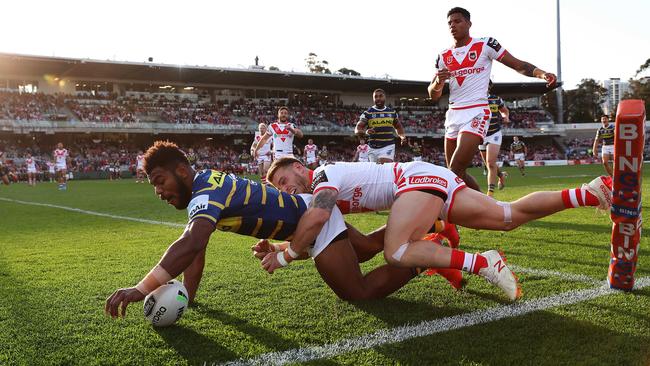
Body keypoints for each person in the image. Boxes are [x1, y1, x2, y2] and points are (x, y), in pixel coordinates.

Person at [104, 141, 428, 318]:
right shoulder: (205, 184)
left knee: (358, 291)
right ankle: (430, 223)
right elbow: (196, 248)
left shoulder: (205, 193)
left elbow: (191, 243)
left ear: (181, 171)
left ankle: (423, 257)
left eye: (160, 181)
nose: (159, 192)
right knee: (368, 249)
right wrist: (189, 295)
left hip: (311, 219)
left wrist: (141, 288)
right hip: (306, 210)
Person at [266, 157, 614, 301]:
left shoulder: (324, 175)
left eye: (284, 180)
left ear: (300, 167)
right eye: (279, 188)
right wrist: (284, 249)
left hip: (414, 181)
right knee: (507, 217)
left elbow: (320, 216)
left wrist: (287, 256)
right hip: (427, 179)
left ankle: (482, 263)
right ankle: (591, 191)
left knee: (397, 251)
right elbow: (348, 243)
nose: (285, 190)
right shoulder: (320, 187)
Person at [428, 7, 556, 191]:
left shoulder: (486, 44)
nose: (452, 26)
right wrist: (439, 82)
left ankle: (440, 216)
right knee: (458, 174)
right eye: (450, 23)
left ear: (469, 23)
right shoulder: (443, 56)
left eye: (457, 21)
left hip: (477, 112)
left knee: (453, 172)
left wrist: (542, 74)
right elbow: (433, 94)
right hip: (453, 114)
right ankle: (484, 209)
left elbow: (519, 65)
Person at [355, 89, 407, 163]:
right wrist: (365, 132)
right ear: (373, 99)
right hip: (372, 147)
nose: (378, 98)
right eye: (375, 97)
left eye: (380, 96)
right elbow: (358, 128)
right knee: (375, 170)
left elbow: (398, 127)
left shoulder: (392, 112)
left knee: (384, 164)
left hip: (388, 145)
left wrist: (402, 136)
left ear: (385, 97)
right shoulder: (367, 113)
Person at [478, 82, 510, 196]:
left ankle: (490, 193)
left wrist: (505, 117)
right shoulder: (474, 99)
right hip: (480, 135)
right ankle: (501, 175)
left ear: (489, 86)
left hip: (494, 133)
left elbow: (504, 110)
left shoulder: (496, 99)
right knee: (488, 164)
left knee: (490, 163)